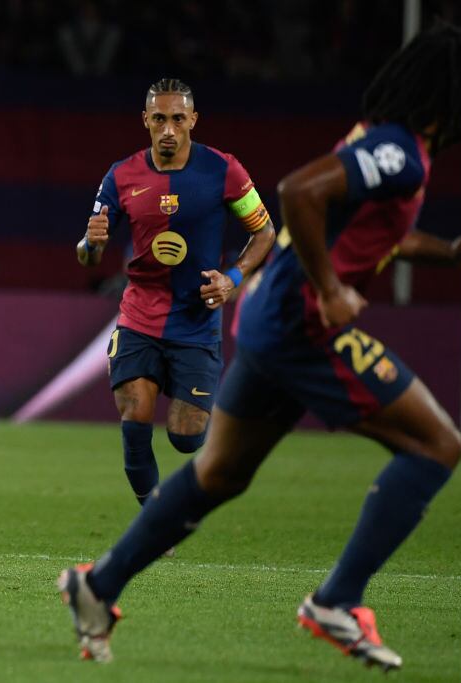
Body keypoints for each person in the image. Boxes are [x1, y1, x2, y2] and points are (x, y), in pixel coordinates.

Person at [59, 25, 461, 670]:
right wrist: (331, 290)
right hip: (300, 326)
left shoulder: (383, 146)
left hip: (266, 320)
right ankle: (337, 600)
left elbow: (374, 235)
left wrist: (449, 251)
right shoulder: (399, 151)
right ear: (454, 99)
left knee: (217, 472)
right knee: (438, 445)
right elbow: (299, 192)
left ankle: (96, 588)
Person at [77, 78, 275, 518]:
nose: (169, 129)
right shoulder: (122, 175)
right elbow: (88, 256)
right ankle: (155, 516)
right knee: (134, 411)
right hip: (139, 314)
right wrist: (91, 243)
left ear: (193, 121)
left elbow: (264, 233)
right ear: (146, 120)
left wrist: (233, 279)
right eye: (160, 119)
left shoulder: (224, 171)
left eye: (178, 119)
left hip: (196, 319)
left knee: (187, 437)